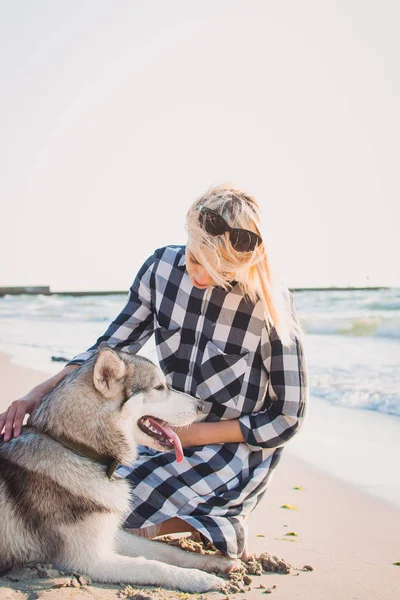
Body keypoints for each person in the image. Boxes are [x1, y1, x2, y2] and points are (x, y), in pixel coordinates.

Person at [0, 185, 308, 560]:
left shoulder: (271, 306)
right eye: (195, 259)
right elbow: (111, 349)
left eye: (219, 270)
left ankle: (223, 522)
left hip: (233, 448)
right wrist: (37, 394)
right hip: (168, 431)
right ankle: (197, 523)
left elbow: (288, 417)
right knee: (84, 497)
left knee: (120, 518)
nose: (199, 275)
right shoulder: (161, 269)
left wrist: (197, 435)